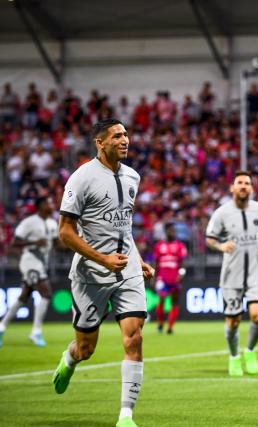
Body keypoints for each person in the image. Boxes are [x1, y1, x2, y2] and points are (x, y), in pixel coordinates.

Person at [52, 118, 155, 427]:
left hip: (127, 271)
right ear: (100, 142)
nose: (125, 140)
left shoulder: (133, 176)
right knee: (86, 349)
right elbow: (65, 232)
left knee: (134, 338)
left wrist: (138, 258)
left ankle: (126, 416)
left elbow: (124, 227)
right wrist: (103, 259)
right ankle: (69, 360)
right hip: (90, 275)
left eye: (126, 134)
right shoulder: (81, 179)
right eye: (117, 136)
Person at [206, 171, 258, 376]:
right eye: (239, 183)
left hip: (255, 271)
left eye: (247, 183)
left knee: (257, 316)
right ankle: (234, 357)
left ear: (251, 188)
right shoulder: (221, 213)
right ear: (232, 188)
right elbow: (210, 238)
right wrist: (221, 246)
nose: (243, 186)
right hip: (231, 275)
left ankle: (250, 352)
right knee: (233, 321)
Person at [0, 197, 58, 348]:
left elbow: (58, 244)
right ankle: (36, 331)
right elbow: (14, 242)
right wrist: (34, 242)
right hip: (30, 261)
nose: (52, 205)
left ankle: (1, 326)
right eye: (48, 203)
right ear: (40, 206)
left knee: (22, 298)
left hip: (41, 263)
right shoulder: (29, 222)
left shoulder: (52, 223)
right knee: (46, 293)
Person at [153, 222, 187, 335]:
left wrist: (181, 274)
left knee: (174, 301)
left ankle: (170, 327)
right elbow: (156, 263)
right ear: (166, 231)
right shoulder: (159, 246)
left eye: (174, 231)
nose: (173, 232)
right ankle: (161, 323)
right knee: (161, 299)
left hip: (175, 278)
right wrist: (154, 276)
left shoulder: (180, 246)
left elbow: (183, 263)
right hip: (162, 278)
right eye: (171, 230)